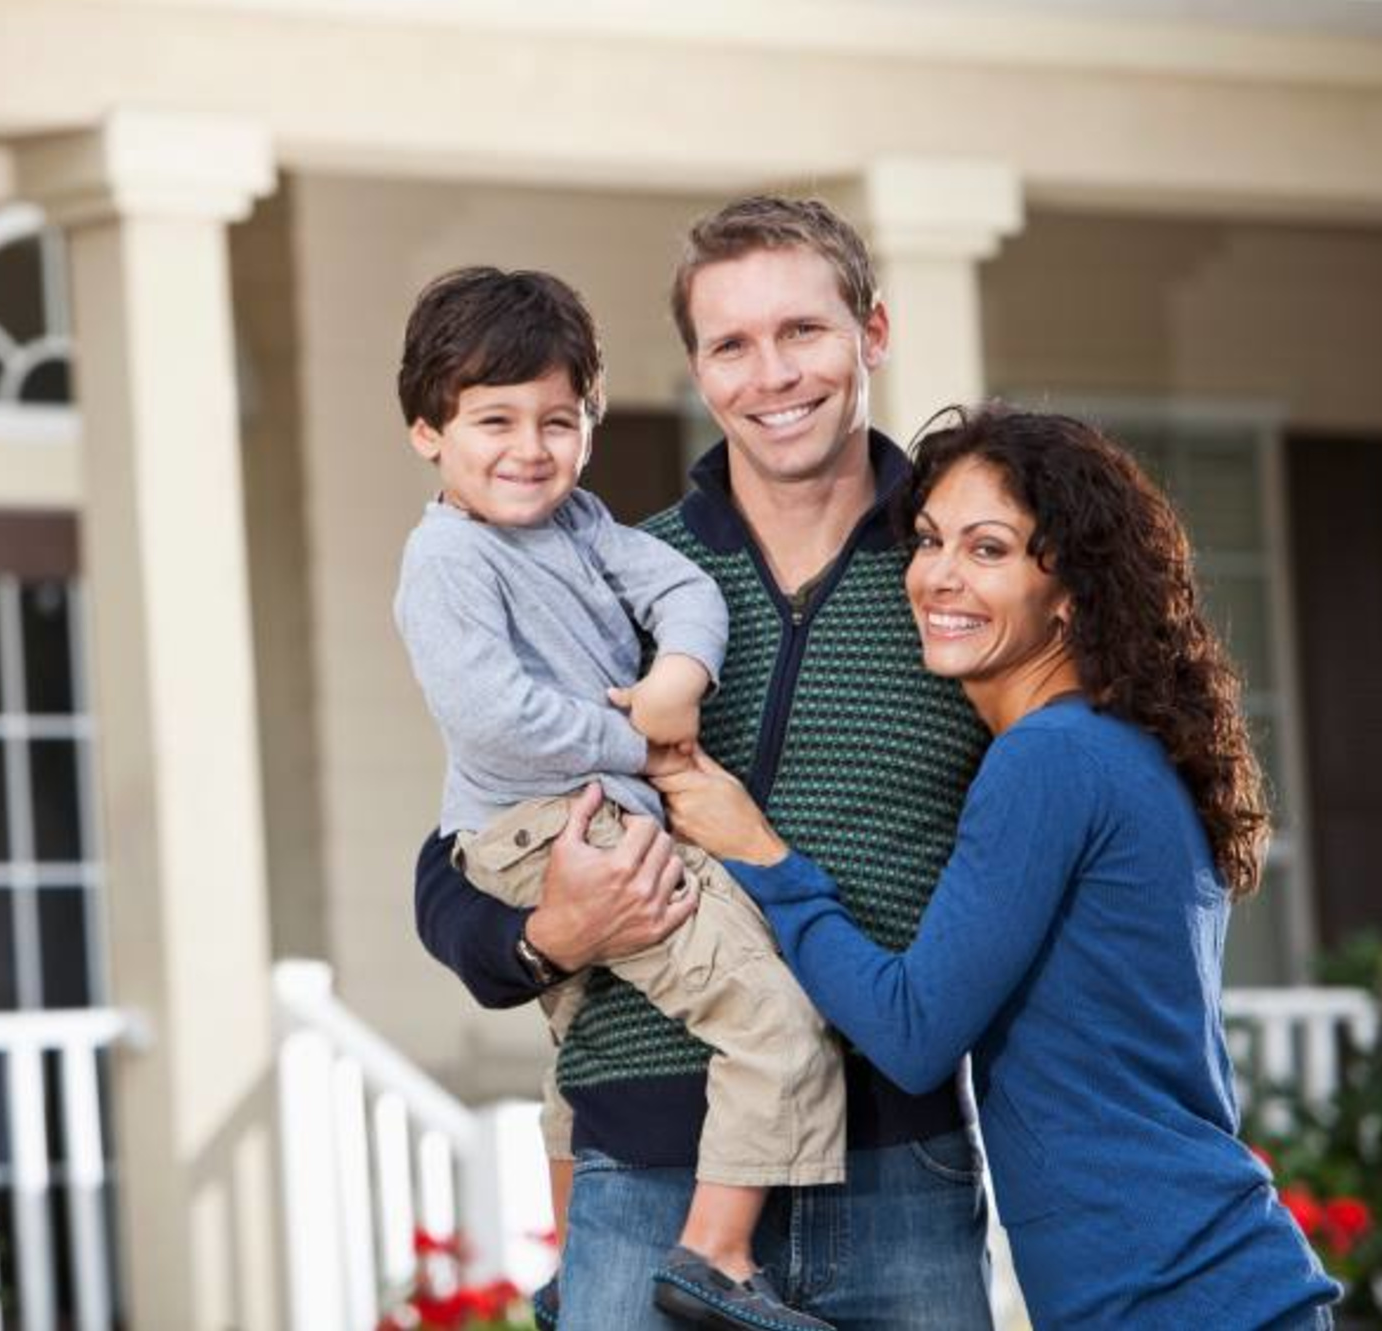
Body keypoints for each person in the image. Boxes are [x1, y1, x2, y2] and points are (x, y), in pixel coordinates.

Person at [413, 198, 995, 1331]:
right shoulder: (607, 569)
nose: (770, 374)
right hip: (646, 1174)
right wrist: (543, 937)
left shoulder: (956, 574)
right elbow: (455, 852)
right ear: (695, 367)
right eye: (730, 343)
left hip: (900, 1178)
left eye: (802, 332)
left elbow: (1047, 814)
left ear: (871, 332)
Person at [658, 404, 1344, 1329]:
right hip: (1192, 1284)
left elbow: (911, 1030)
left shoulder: (1049, 759)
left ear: (1071, 588)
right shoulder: (1105, 746)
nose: (939, 574)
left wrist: (760, 852)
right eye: (932, 538)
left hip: (1176, 1293)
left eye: (989, 549)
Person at [392, 267, 846, 1331]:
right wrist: (639, 742)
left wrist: (678, 675)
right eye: (493, 419)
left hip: (583, 808)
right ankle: (716, 1252)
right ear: (427, 432)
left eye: (558, 419)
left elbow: (682, 589)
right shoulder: (445, 559)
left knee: (578, 1042)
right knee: (776, 1017)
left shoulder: (581, 523)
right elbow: (494, 716)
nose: (528, 447)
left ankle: (565, 1266)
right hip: (545, 821)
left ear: (589, 423)